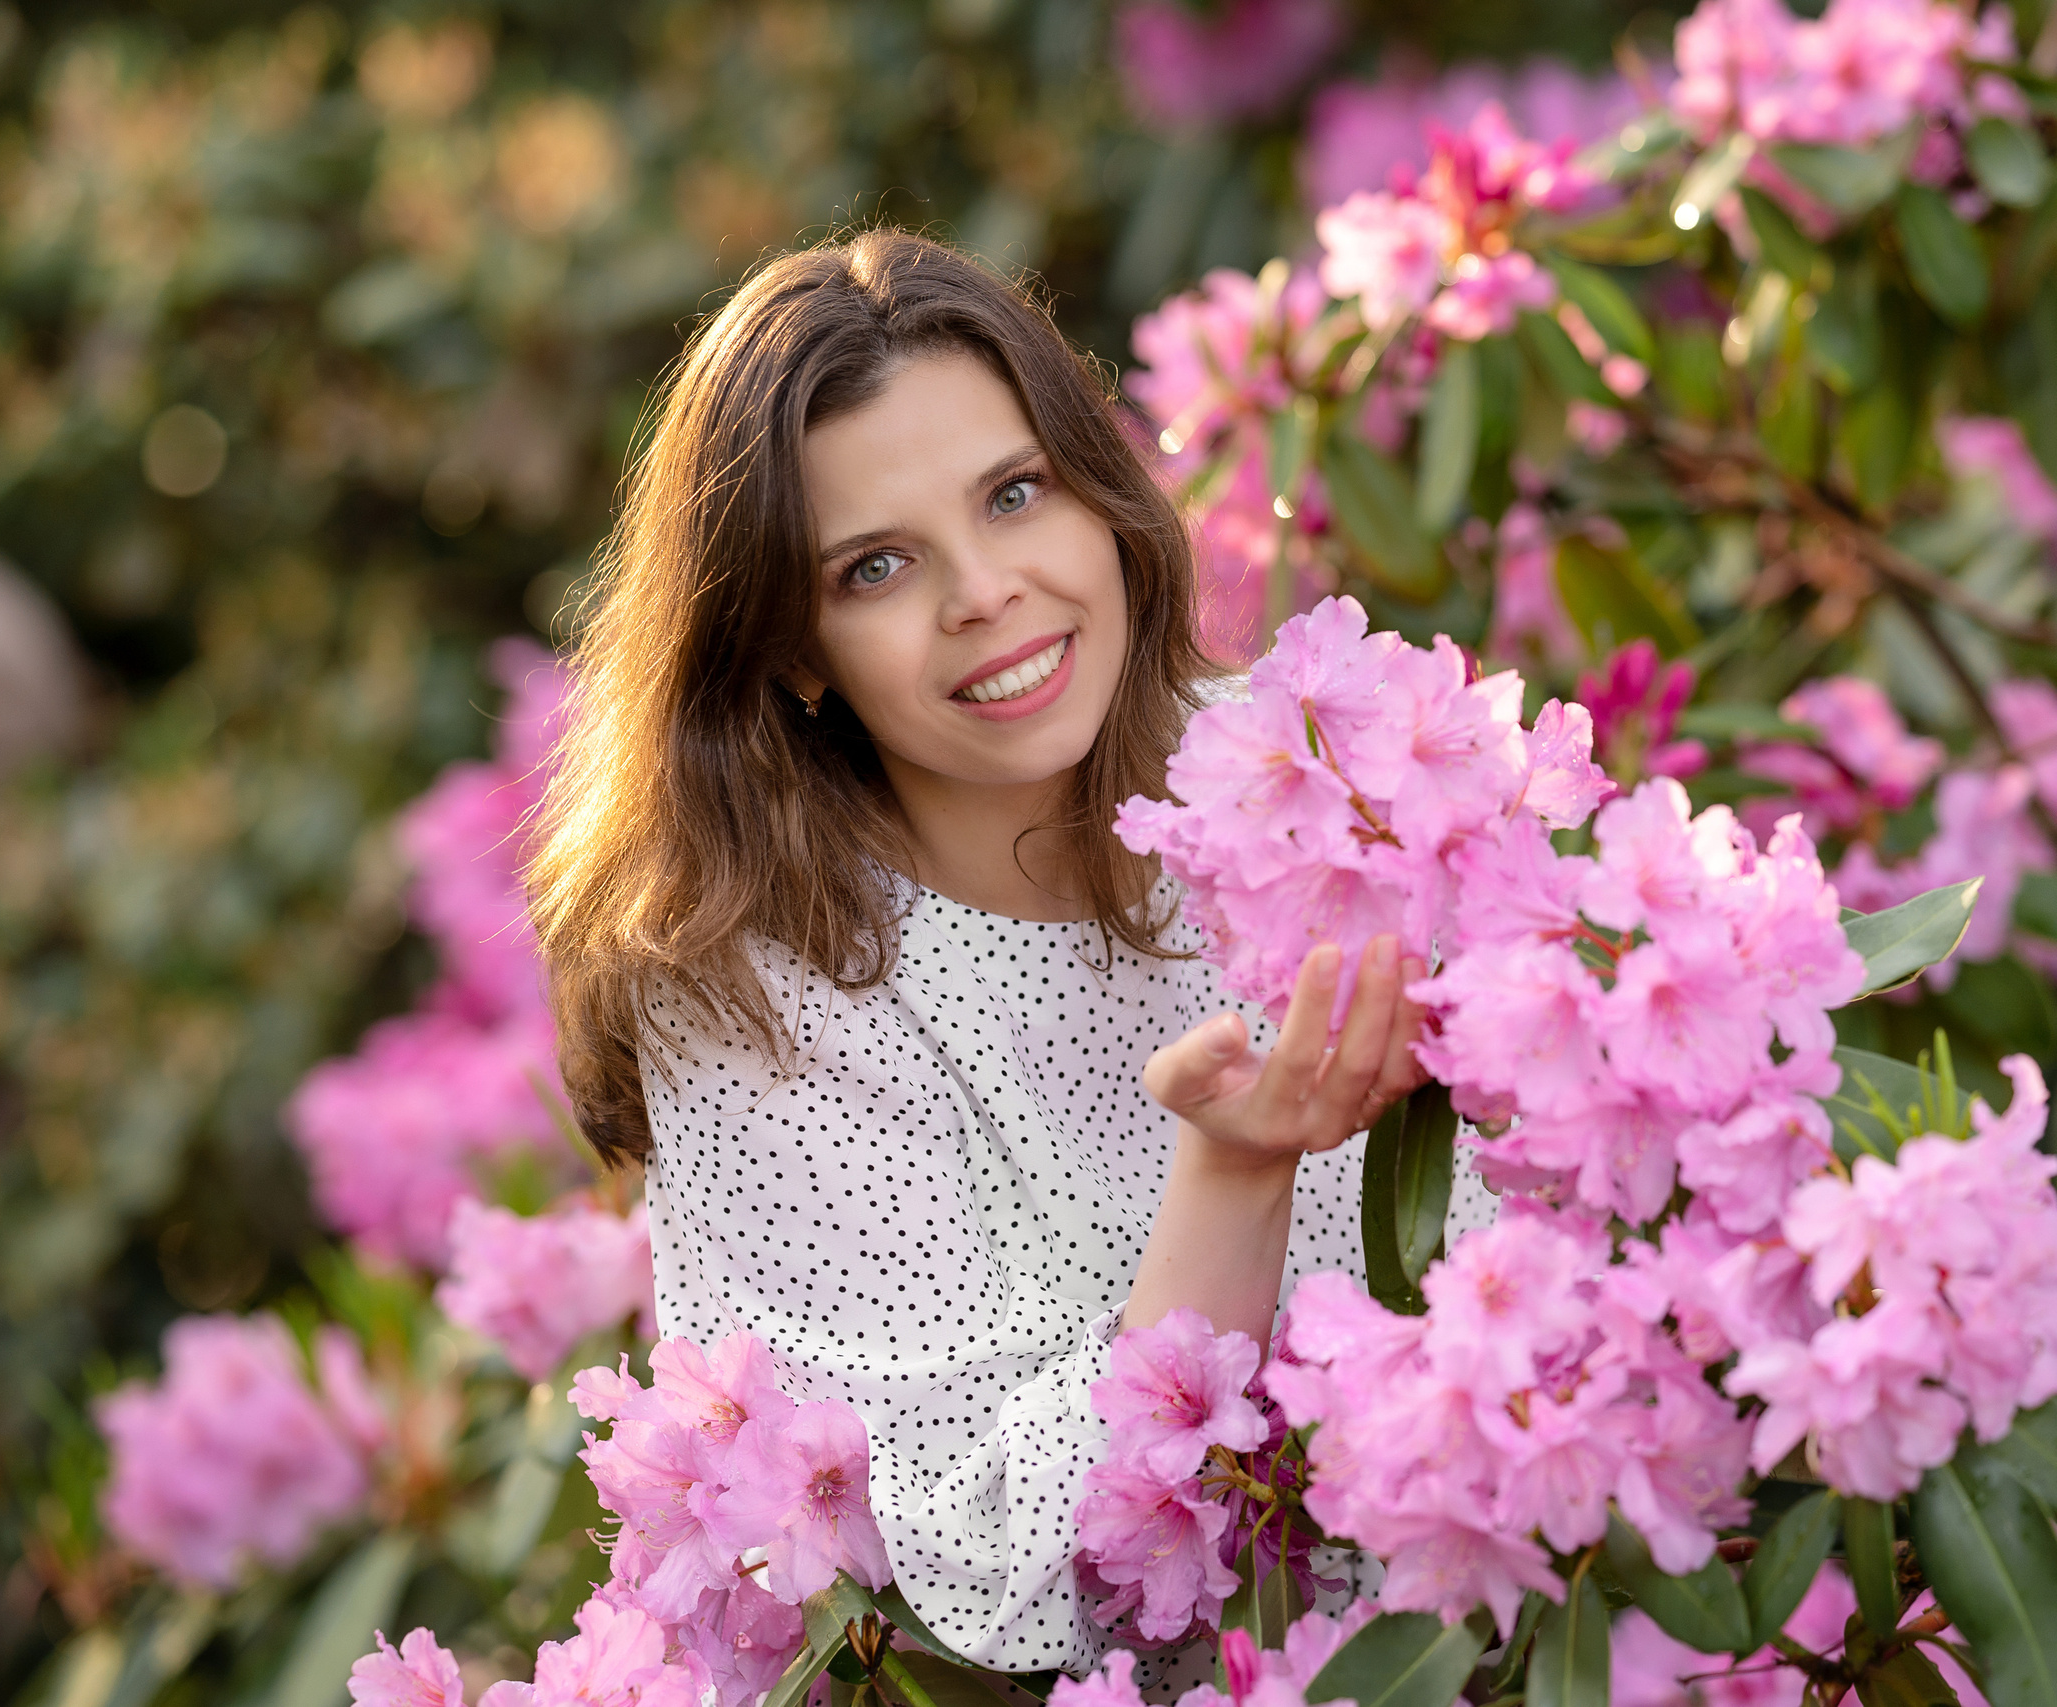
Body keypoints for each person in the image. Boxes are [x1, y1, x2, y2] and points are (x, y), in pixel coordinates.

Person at [526, 230, 1489, 1675]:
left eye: (1015, 493)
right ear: (792, 651)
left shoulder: (1309, 789)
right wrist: (1234, 1171)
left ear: (1100, 503)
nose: (984, 591)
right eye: (877, 566)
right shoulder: (754, 1007)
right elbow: (1002, 1578)